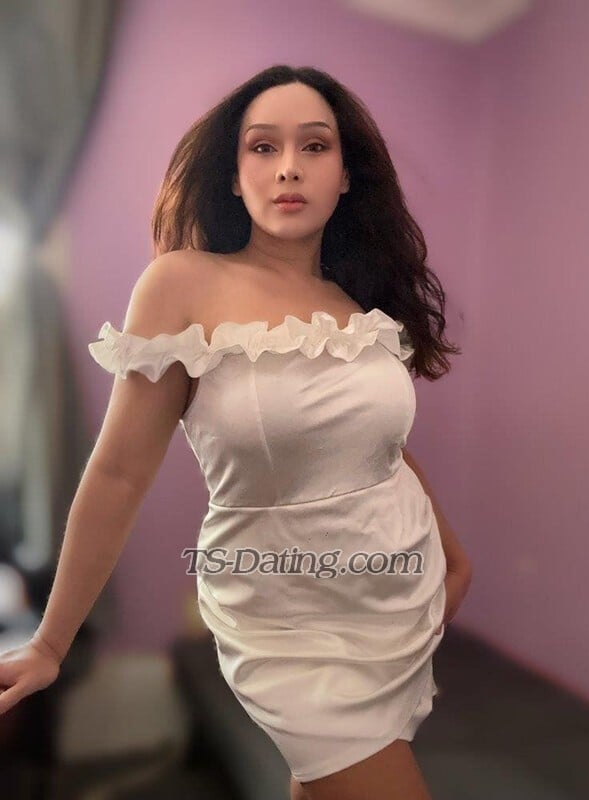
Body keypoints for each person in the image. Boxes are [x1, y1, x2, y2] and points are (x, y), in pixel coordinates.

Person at [0, 65, 472, 799]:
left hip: (392, 593)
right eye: (263, 146)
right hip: (281, 616)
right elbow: (119, 473)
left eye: (315, 146)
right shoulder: (183, 283)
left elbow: (378, 447)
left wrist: (451, 556)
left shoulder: (359, 306)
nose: (288, 167)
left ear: (347, 175)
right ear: (233, 173)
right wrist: (50, 642)